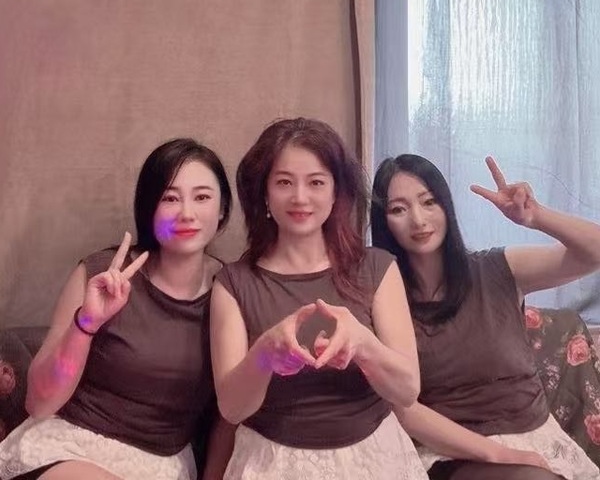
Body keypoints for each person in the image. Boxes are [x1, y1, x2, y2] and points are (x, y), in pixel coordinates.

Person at [0, 138, 235, 480]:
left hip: (159, 465)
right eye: (170, 198)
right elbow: (39, 402)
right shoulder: (99, 272)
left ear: (223, 209)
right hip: (71, 448)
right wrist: (85, 324)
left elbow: (232, 413)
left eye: (202, 197)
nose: (187, 213)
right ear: (149, 208)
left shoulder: (232, 292)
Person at [209, 117, 428, 480]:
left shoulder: (377, 267)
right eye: (284, 182)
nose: (300, 197)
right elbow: (232, 409)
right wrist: (265, 353)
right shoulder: (234, 283)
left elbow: (407, 391)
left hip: (373, 457)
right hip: (272, 462)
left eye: (316, 182)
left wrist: (362, 343)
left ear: (336, 192)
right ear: (264, 193)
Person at [370, 153, 600, 480]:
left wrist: (536, 216)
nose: (418, 220)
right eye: (398, 209)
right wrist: (502, 454)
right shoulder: (385, 299)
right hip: (454, 453)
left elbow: (594, 253)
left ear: (446, 206)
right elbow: (405, 409)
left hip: (537, 439)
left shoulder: (497, 269)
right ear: (384, 222)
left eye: (429, 202)